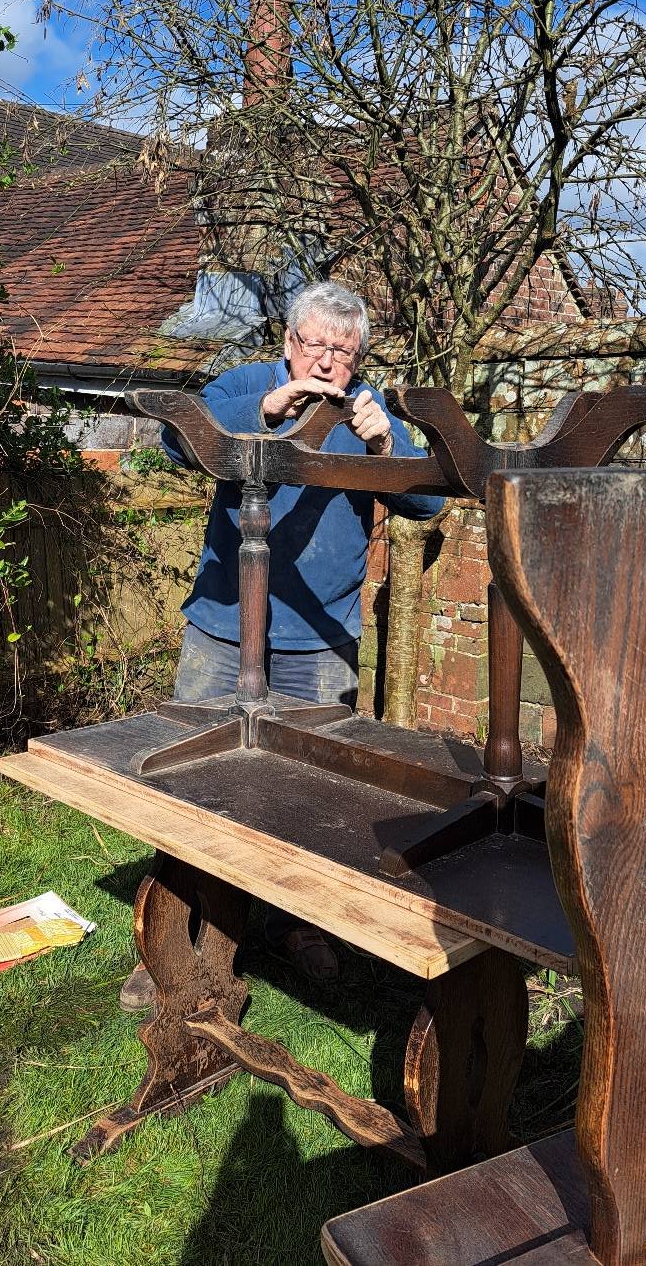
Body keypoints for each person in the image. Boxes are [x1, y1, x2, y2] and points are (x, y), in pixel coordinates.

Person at [120, 282, 442, 1008]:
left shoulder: (370, 412)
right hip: (222, 629)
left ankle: (298, 924)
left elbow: (428, 499)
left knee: (309, 800)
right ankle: (172, 935)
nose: (328, 363)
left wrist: (387, 444)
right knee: (187, 785)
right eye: (316, 346)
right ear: (290, 342)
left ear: (358, 357)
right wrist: (265, 413)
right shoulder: (246, 386)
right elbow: (179, 437)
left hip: (320, 642)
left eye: (343, 351)